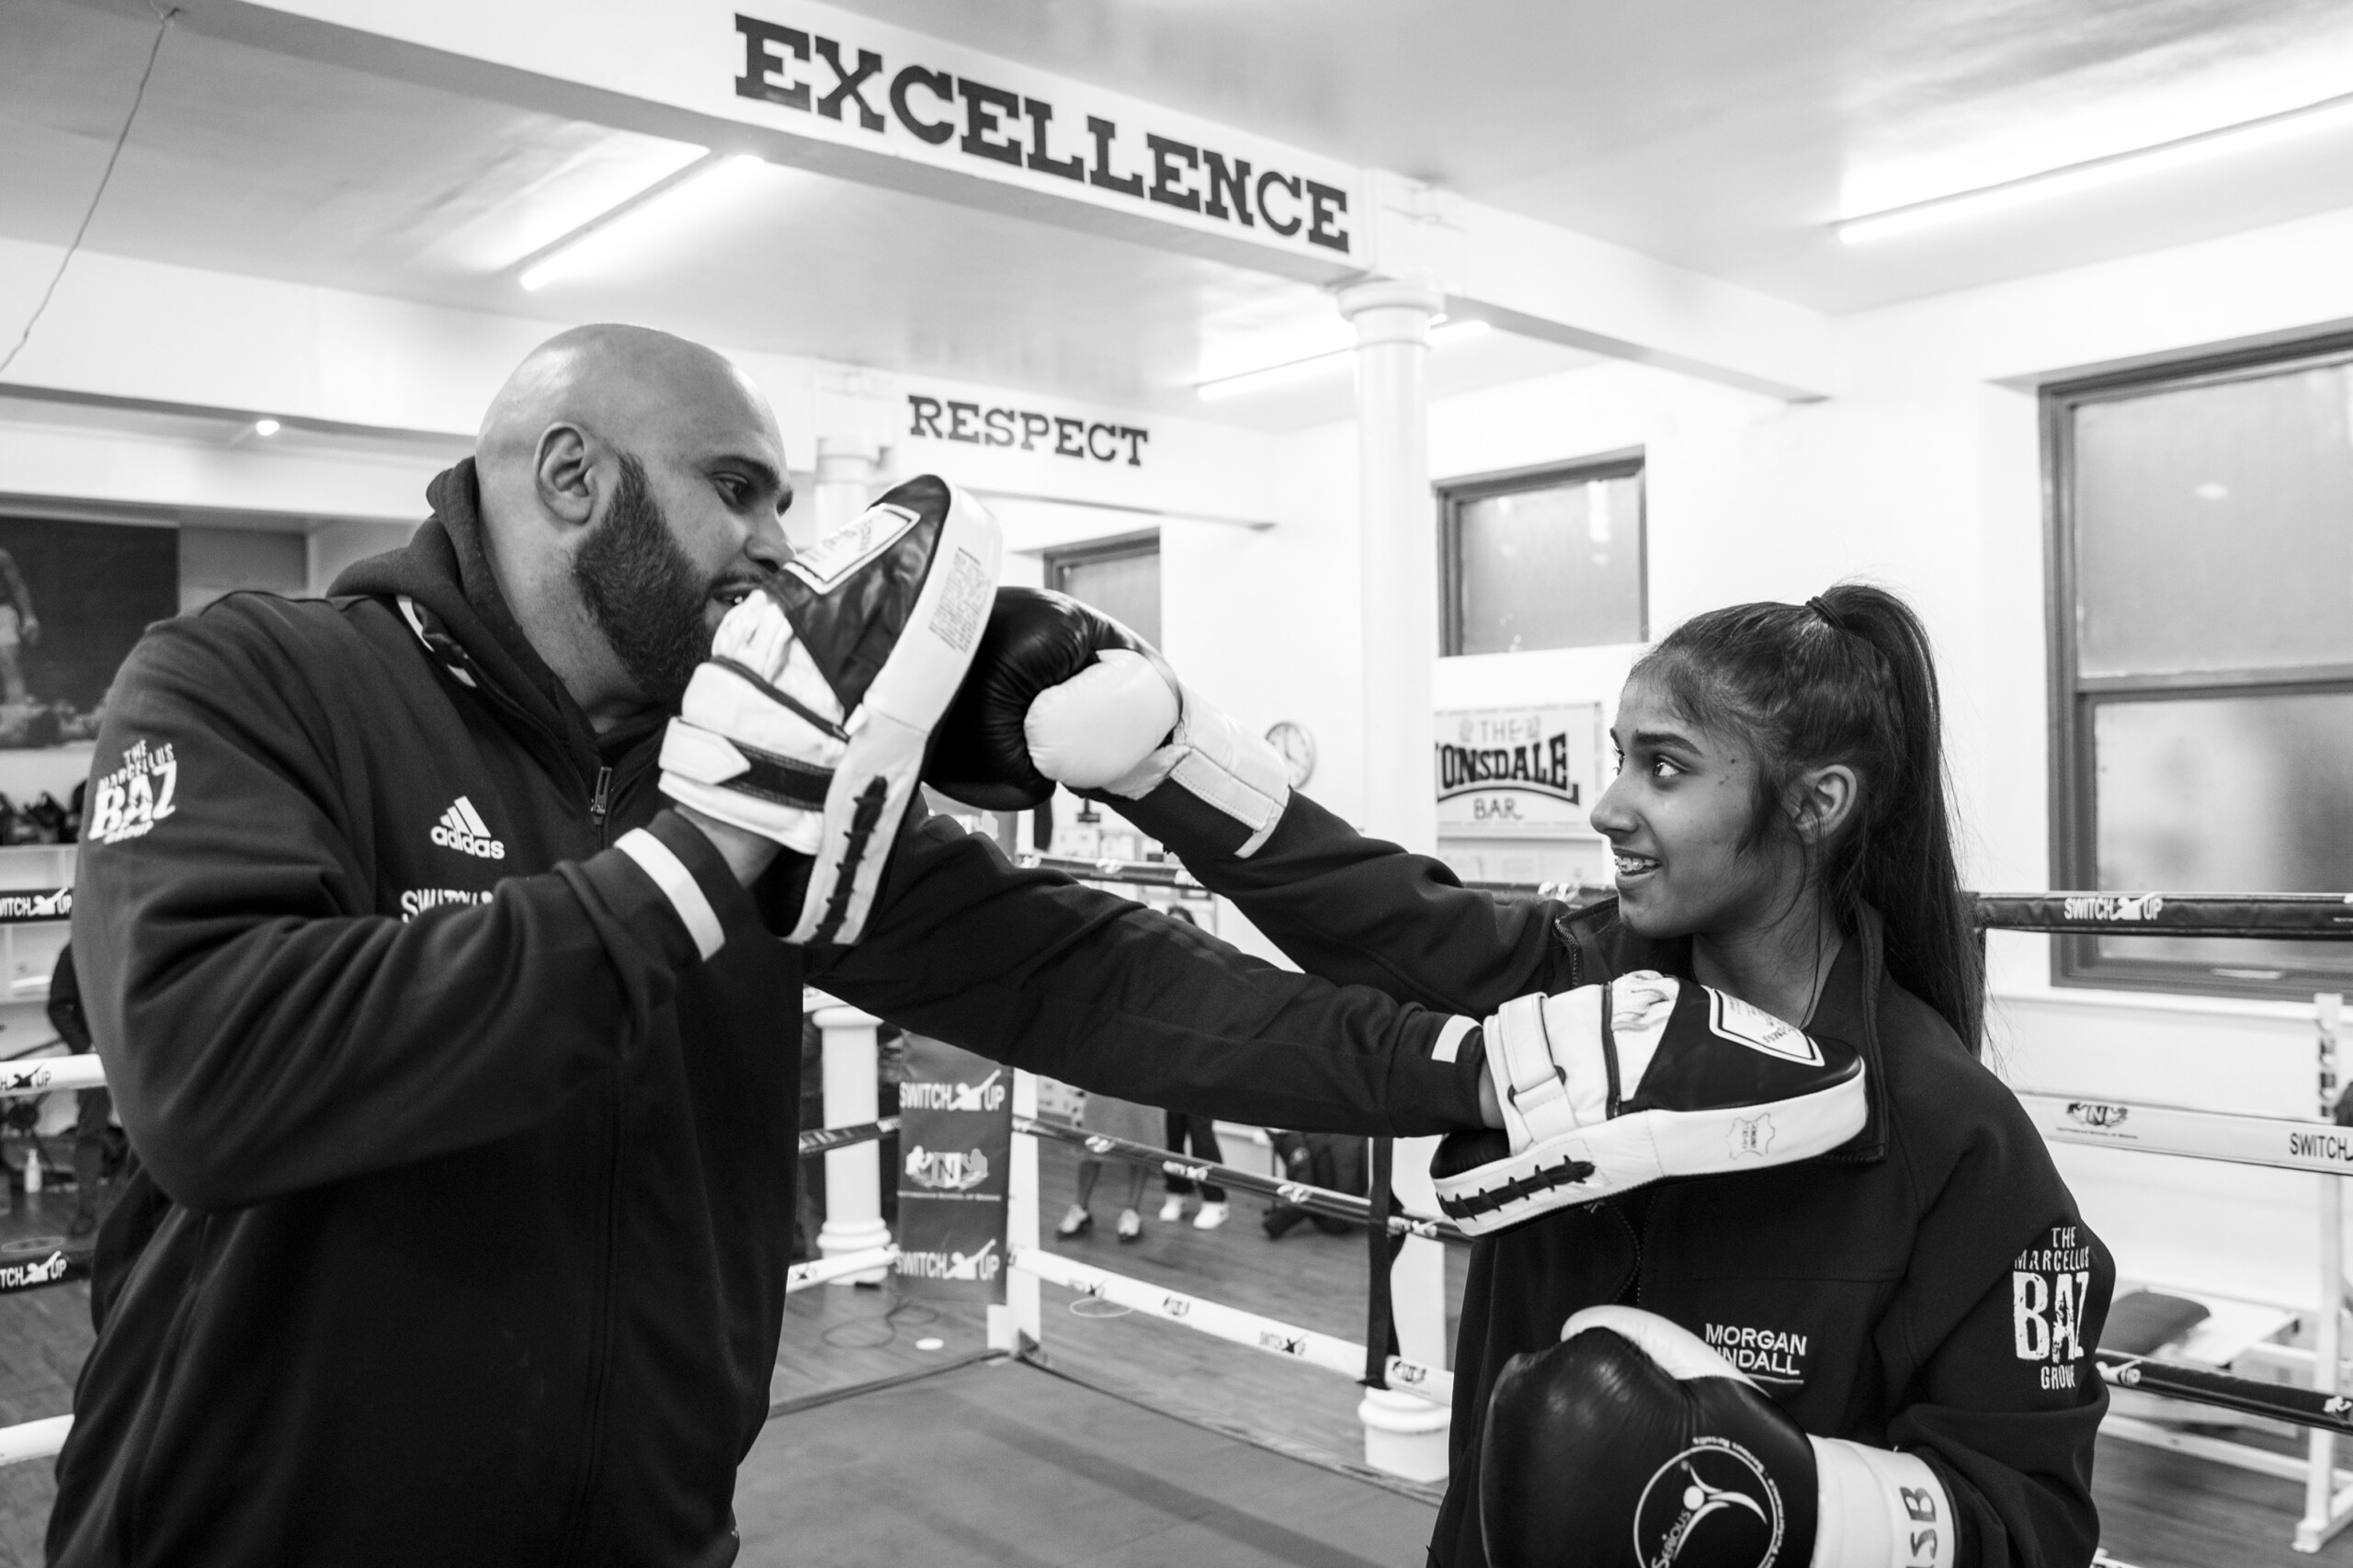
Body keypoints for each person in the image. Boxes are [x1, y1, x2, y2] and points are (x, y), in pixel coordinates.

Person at [57, 325, 1852, 1568]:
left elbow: (1091, 977)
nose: (775, 545)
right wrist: (705, 857)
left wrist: (1467, 1067)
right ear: (573, 474)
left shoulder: (766, 781)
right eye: (738, 490)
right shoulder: (261, 680)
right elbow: (217, 1080)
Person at [942, 583, 2115, 1568]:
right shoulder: (1563, 994)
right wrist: (1162, 757)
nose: (1610, 805)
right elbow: (1357, 898)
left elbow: (2032, 1518)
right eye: (1618, 758)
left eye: (1664, 767)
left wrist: (1787, 1496)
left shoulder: (1949, 1133)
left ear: (1815, 803)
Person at [1153, 904, 1231, 1229]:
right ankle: (1176, 1192)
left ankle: (1216, 1199)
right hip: (1168, 1064)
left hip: (1201, 1065)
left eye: (1181, 925)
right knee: (1172, 1134)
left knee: (1201, 1134)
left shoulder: (1208, 968)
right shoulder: (1157, 972)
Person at [1057, 1087, 1158, 1241]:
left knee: (1141, 1138)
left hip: (1146, 1076)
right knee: (1091, 1137)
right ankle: (1080, 1208)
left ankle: (1132, 1211)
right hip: (1102, 1075)